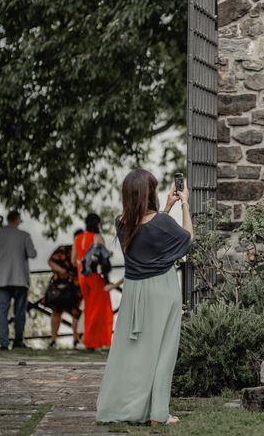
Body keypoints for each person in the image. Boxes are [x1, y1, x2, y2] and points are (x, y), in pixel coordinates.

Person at [96, 168, 193, 426]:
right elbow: (187, 239)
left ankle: (128, 405)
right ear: (149, 193)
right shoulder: (162, 223)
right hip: (162, 289)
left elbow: (145, 230)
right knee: (164, 351)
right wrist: (183, 204)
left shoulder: (121, 222)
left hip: (133, 293)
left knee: (133, 351)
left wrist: (168, 205)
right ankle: (158, 413)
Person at [0, 210, 37, 350]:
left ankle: (3, 343)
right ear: (17, 219)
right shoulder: (24, 235)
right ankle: (18, 342)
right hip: (20, 279)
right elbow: (32, 254)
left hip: (1, 279)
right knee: (19, 312)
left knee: (2, 310)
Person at [72, 213, 113, 350]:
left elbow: (74, 261)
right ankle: (93, 341)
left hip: (82, 277)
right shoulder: (98, 238)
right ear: (97, 224)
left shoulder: (78, 238)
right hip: (95, 277)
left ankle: (89, 340)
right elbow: (104, 260)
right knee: (101, 308)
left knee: (89, 308)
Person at [44, 229, 84, 349]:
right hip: (59, 287)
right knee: (56, 312)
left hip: (76, 288)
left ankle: (76, 340)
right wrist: (61, 270)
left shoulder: (84, 252)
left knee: (76, 313)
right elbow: (51, 261)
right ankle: (53, 340)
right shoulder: (64, 249)